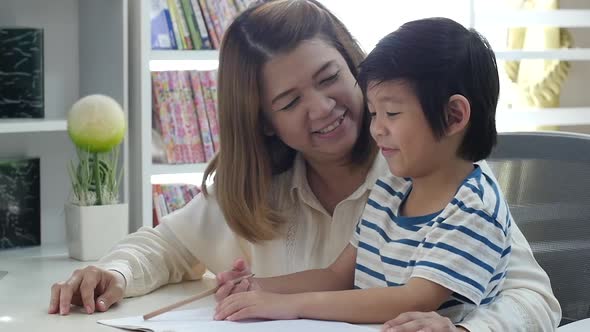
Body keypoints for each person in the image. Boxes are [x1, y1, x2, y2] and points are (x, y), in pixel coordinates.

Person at [48, 1, 560, 331]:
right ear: (265, 122)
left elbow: (534, 299)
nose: (321, 107)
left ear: (355, 65)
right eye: (290, 101)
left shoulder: (423, 174)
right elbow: (163, 247)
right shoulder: (255, 188)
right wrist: (112, 273)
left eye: (330, 77)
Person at [213, 16, 512, 327]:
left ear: (453, 116)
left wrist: (291, 304)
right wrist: (257, 287)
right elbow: (336, 276)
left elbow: (414, 299)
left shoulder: (474, 208)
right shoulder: (391, 190)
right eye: (373, 113)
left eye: (392, 114)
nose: (377, 129)